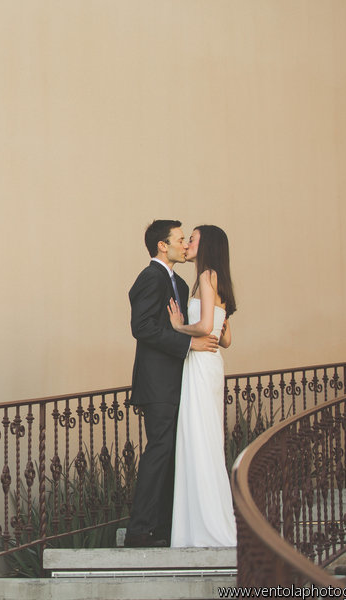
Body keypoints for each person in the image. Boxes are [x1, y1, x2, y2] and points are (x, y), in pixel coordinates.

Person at [124, 220, 220, 548]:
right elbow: (143, 327)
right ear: (162, 246)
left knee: (173, 454)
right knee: (159, 451)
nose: (184, 245)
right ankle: (139, 531)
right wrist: (189, 345)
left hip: (182, 384)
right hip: (158, 385)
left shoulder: (179, 282)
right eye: (180, 239)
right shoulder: (150, 277)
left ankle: (165, 528)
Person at [167, 224, 238, 547]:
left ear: (206, 244)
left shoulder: (207, 276)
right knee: (205, 439)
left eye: (192, 238)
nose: (188, 243)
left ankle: (206, 527)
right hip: (209, 365)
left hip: (199, 365)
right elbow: (226, 337)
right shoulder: (215, 279)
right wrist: (207, 329)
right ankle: (204, 523)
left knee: (200, 438)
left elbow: (208, 326)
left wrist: (179, 327)